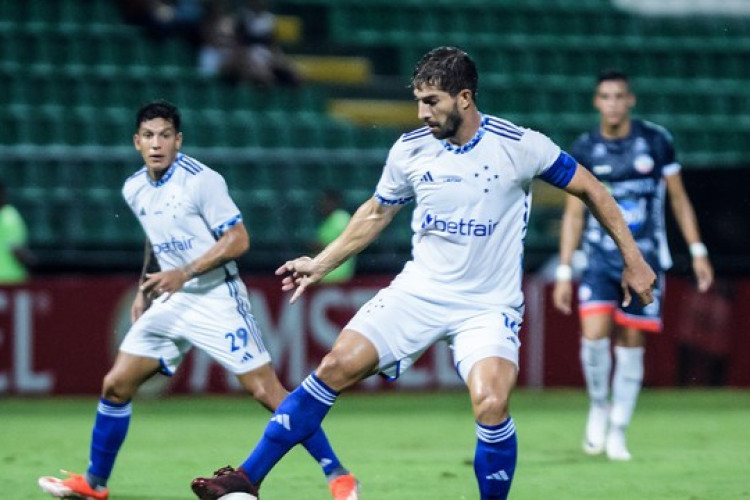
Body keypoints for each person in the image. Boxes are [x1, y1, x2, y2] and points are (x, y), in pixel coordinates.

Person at [190, 47, 656, 500]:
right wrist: (322, 261)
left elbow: (592, 188)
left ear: (465, 98)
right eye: (417, 100)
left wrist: (634, 260)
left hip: (487, 306)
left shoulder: (521, 146)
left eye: (431, 101)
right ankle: (247, 479)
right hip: (419, 292)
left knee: (492, 404)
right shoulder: (411, 150)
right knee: (334, 366)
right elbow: (375, 212)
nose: (421, 113)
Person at [37, 100, 360, 500]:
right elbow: (154, 239)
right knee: (116, 384)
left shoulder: (201, 181)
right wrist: (143, 288)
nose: (157, 143)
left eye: (166, 135)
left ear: (179, 140)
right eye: (149, 136)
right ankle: (94, 483)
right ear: (137, 141)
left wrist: (183, 272)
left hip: (215, 297)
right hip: (171, 302)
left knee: (266, 392)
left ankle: (338, 474)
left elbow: (239, 239)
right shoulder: (134, 187)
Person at [552, 70, 714, 461]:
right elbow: (574, 214)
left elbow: (678, 200)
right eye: (605, 96)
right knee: (593, 335)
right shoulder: (585, 147)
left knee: (631, 343)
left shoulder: (656, 142)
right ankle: (598, 405)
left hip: (643, 260)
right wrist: (562, 269)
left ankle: (619, 430)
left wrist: (697, 250)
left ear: (630, 100)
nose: (612, 103)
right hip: (597, 259)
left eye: (619, 96)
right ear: (596, 102)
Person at [314, 189, 355, 284]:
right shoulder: (327, 220)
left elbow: (345, 244)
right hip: (324, 274)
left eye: (325, 201)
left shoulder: (341, 218)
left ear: (334, 202)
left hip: (337, 273)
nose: (322, 204)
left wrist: (318, 246)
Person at [0, 181, 35, 284]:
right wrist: (34, 263)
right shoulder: (9, 217)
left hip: (10, 280)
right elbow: (16, 249)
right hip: (11, 280)